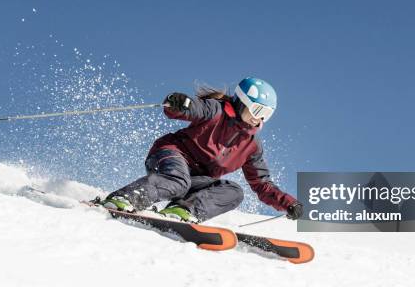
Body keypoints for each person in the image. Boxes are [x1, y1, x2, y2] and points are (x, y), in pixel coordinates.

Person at [94, 77, 303, 223]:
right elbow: (193, 108)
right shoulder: (216, 111)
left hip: (195, 179)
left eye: (267, 114)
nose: (260, 118)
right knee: (178, 181)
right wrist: (180, 104)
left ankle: (184, 210)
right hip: (171, 155)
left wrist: (288, 204)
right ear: (242, 102)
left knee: (234, 192)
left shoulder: (252, 146)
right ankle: (126, 198)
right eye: (258, 110)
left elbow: (262, 184)